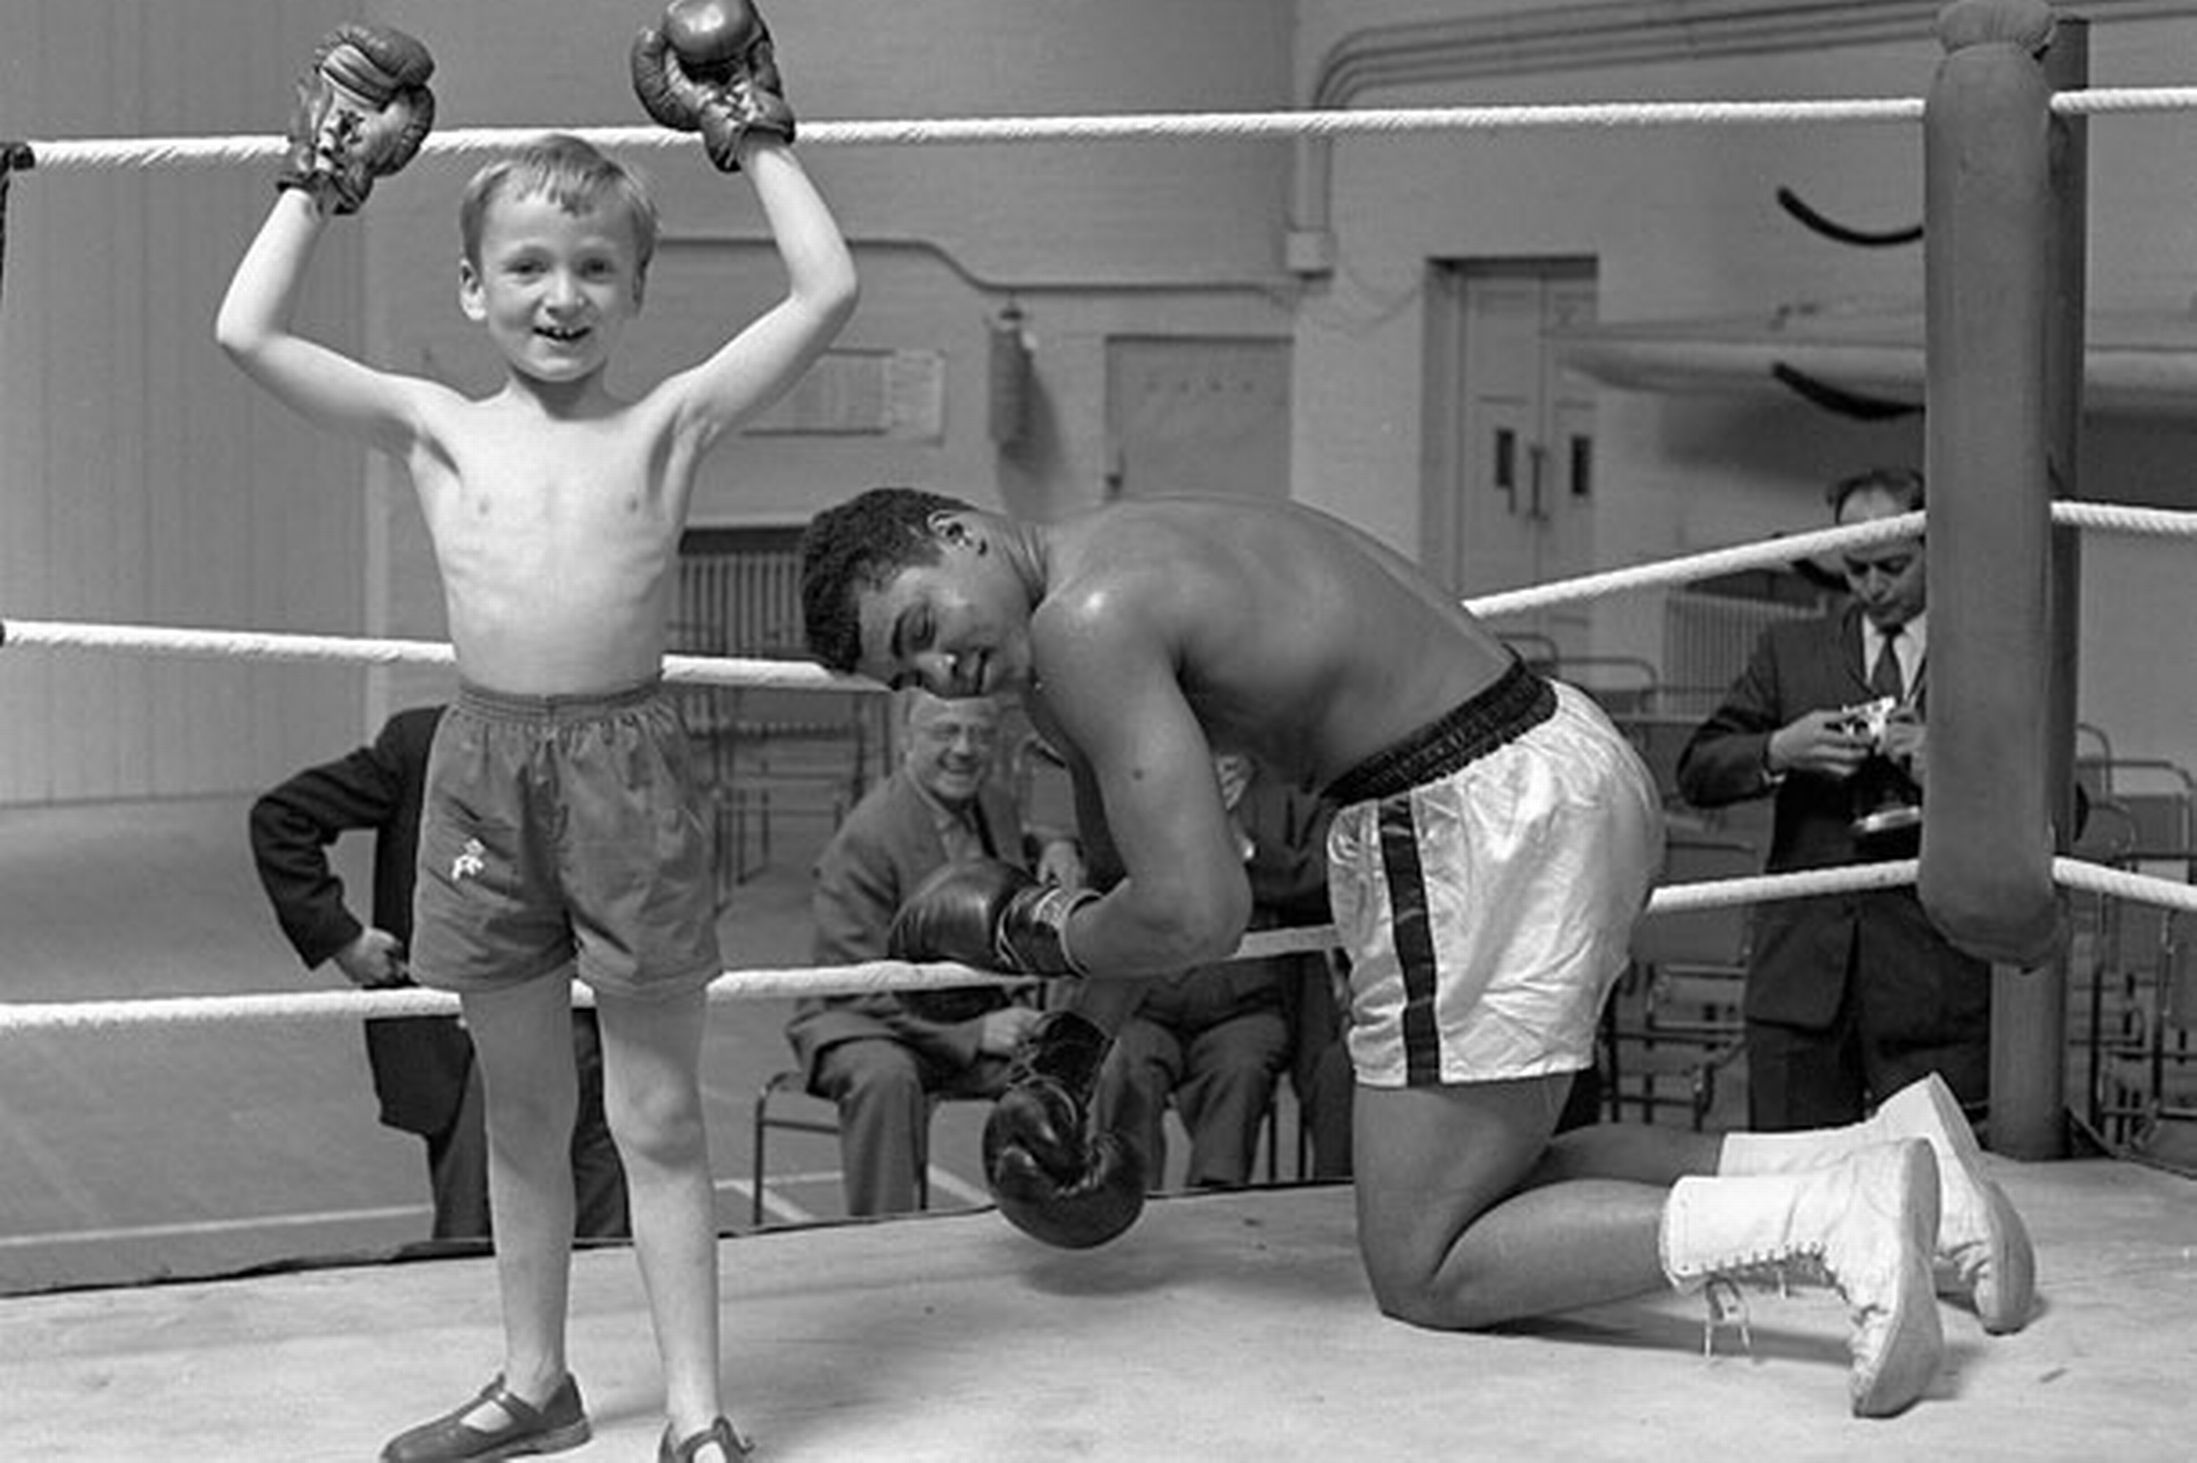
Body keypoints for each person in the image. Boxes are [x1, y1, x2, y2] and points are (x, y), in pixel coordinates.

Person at [798, 485, 2035, 1419]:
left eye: (919, 623)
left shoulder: (1084, 624)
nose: (934, 664)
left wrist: (1024, 924)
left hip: (1463, 814)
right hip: (1546, 761)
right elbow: (1141, 887)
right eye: (900, 670)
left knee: (1426, 1259)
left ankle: (1832, 1221)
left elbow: (1194, 912)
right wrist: (1075, 1042)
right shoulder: (1114, 561)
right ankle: (1892, 1158)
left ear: (962, 533)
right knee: (1503, 1171)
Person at [216, 7, 857, 1460]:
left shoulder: (667, 430)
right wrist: (317, 180)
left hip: (627, 771)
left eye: (593, 270)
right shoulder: (439, 427)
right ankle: (532, 1380)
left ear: (635, 289)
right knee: (516, 1105)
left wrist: (747, 131)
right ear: (473, 283)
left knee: (658, 1115)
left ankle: (696, 1413)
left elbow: (825, 288)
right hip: (484, 771)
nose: (560, 296)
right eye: (527, 266)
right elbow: (243, 331)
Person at [1673, 467, 1994, 1137]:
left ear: (1936, 546)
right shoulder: (1789, 650)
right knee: (1789, 1203)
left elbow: (2064, 812)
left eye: (1891, 566)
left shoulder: (1988, 654)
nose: (1872, 586)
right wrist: (1779, 750)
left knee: (1946, 1200)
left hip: (1934, 986)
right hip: (1799, 983)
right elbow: (1697, 770)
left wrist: (1949, 772)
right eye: (1854, 569)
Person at [249, 706, 629, 1245]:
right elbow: (281, 818)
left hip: (585, 1027)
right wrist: (342, 938)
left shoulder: (600, 742)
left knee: (605, 1239)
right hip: (463, 1039)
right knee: (475, 1244)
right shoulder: (422, 743)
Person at [790, 689, 1082, 1216]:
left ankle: (1063, 1219)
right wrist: (973, 1034)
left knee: (1070, 1062)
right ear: (906, 738)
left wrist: (1057, 842)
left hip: (973, 1011)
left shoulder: (994, 805)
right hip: (867, 1021)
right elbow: (858, 985)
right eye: (945, 731)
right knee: (884, 1079)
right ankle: (886, 1244)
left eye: (981, 733)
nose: (965, 748)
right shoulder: (867, 838)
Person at [1093, 754, 1305, 1191]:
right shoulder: (1145, 771)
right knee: (1127, 1061)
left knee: (1242, 1067)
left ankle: (1216, 1200)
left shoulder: (1290, 787)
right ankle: (1133, 1196)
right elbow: (1105, 868)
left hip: (1244, 1009)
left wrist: (1242, 846)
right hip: (1148, 1004)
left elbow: (1315, 881)